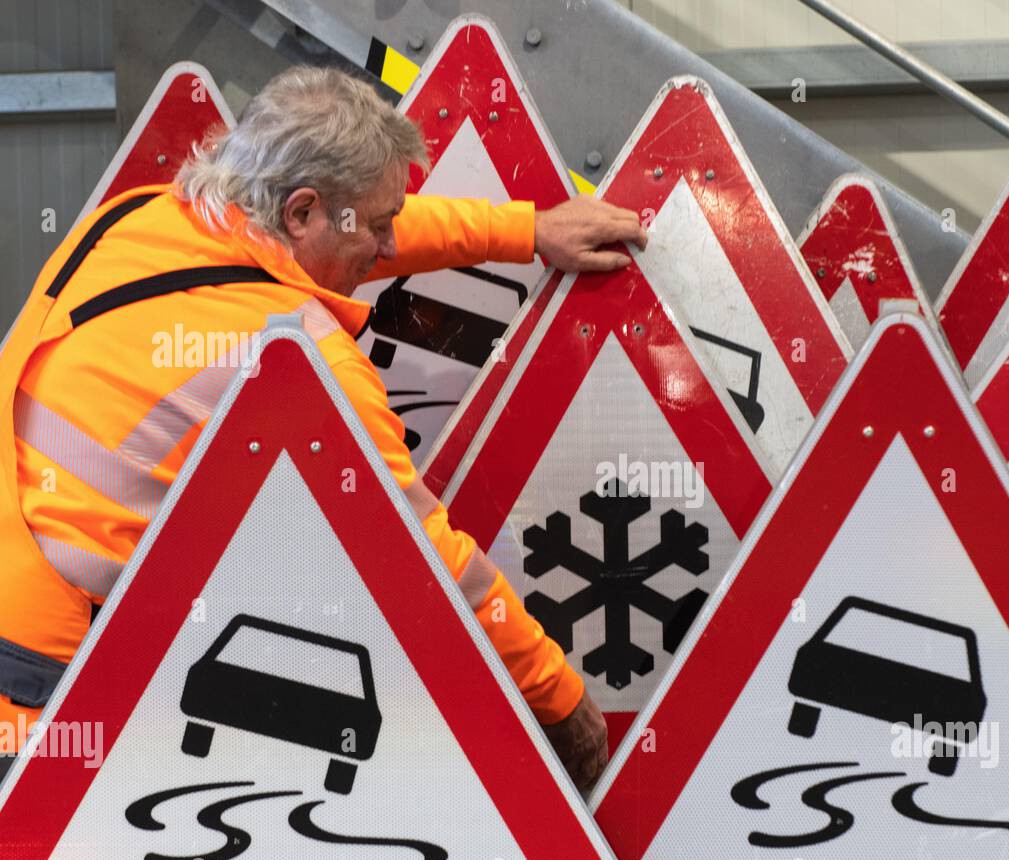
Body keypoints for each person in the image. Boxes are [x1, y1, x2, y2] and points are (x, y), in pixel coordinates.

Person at [0, 65, 648, 793]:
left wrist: (525, 230)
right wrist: (562, 703)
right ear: (303, 211)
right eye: (377, 227)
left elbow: (345, 238)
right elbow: (433, 562)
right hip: (42, 678)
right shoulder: (300, 354)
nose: (389, 249)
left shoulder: (143, 217)